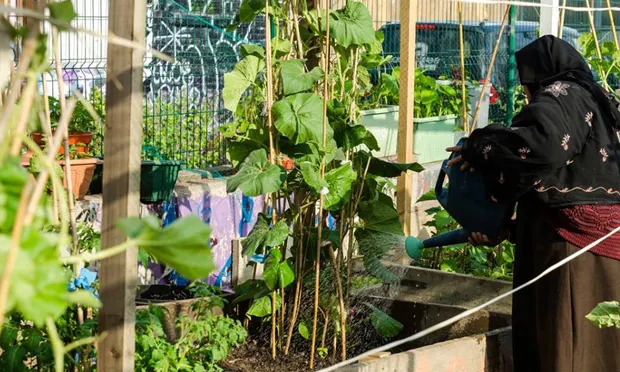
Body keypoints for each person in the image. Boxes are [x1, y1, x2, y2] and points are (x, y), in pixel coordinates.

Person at [447, 35, 620, 372]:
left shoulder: (565, 94)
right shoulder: (594, 102)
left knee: (569, 348)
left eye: (528, 85)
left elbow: (543, 146)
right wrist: (507, 228)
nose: (528, 94)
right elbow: (559, 180)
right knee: (599, 350)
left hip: (574, 257)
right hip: (588, 251)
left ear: (542, 76)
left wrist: (481, 147)